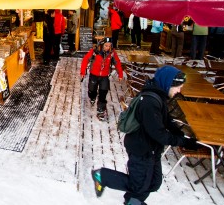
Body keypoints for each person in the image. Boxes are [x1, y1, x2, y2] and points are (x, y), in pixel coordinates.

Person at [91, 65, 199, 205]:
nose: (179, 90)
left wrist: (181, 134)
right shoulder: (150, 103)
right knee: (139, 185)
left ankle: (132, 199)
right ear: (168, 83)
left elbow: (165, 119)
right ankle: (104, 177)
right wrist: (182, 142)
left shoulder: (158, 96)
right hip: (141, 149)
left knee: (153, 183)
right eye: (178, 87)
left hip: (151, 149)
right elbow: (158, 134)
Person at [80, 37, 123, 121]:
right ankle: (92, 97)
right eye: (106, 45)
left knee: (103, 93)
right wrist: (82, 72)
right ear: (102, 45)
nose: (107, 47)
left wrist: (120, 74)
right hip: (94, 75)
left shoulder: (112, 53)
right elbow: (85, 60)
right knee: (92, 90)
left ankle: (101, 111)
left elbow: (117, 63)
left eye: (109, 46)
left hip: (104, 76)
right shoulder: (95, 52)